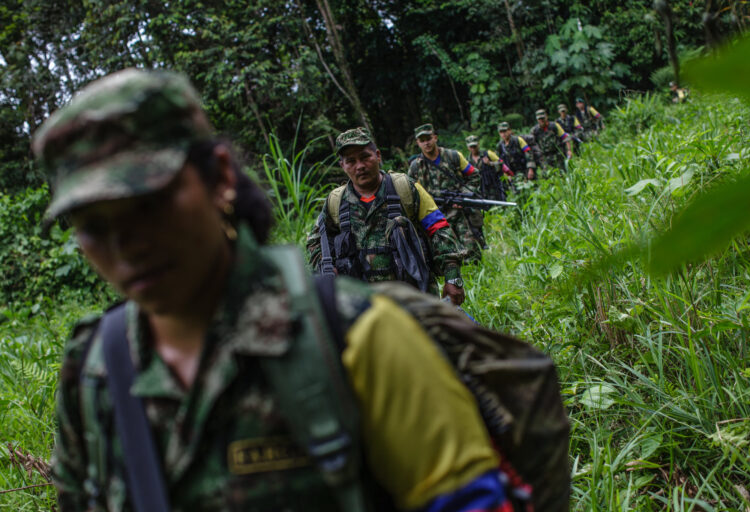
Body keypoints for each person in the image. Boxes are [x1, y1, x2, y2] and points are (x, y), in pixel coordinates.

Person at [35, 69, 531, 512]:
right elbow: (324, 249)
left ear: (221, 178)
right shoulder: (95, 369)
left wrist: (451, 278)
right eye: (92, 225)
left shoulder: (357, 337)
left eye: (151, 204)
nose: (127, 245)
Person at [306, 127, 465, 304]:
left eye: (365, 157)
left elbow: (439, 229)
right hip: (362, 303)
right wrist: (326, 269)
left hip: (415, 297)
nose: (360, 166)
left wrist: (452, 278)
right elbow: (315, 241)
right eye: (351, 161)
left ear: (378, 156)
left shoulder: (405, 188)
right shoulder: (335, 202)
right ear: (342, 166)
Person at [408, 123, 486, 262]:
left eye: (429, 138)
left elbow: (474, 175)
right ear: (418, 143)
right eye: (422, 140)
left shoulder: (453, 156)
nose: (427, 143)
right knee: (446, 257)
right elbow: (411, 192)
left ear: (435, 138)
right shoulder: (415, 166)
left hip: (460, 213)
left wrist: (462, 196)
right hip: (435, 218)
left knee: (473, 254)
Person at [465, 134, 512, 201]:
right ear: (468, 147)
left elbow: (502, 165)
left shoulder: (488, 154)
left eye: (474, 146)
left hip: (492, 187)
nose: (473, 149)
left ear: (478, 145)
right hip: (478, 189)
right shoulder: (467, 160)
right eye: (471, 147)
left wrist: (490, 164)